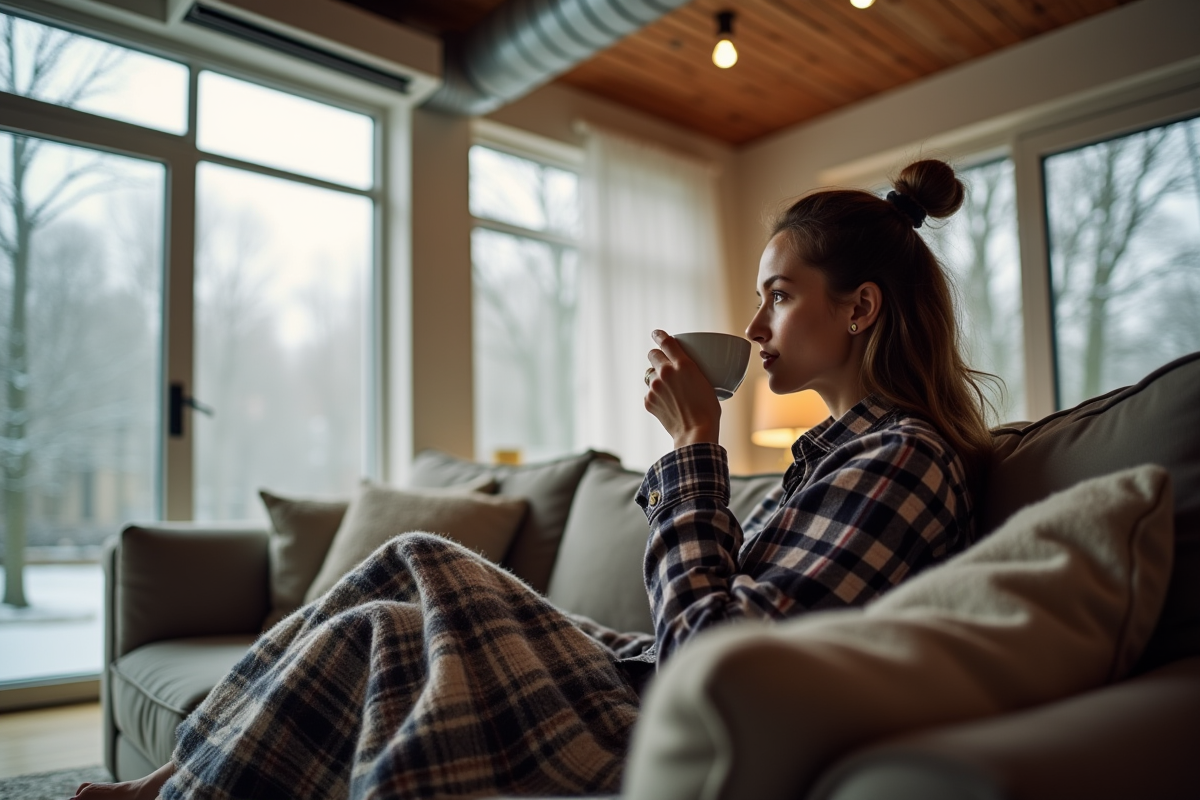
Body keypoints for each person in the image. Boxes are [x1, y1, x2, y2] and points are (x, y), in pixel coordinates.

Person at [74, 158, 991, 800]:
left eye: (779, 295)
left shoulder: (902, 463)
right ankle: (179, 783)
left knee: (422, 563)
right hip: (640, 676)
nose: (754, 327)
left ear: (860, 309)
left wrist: (691, 450)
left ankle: (175, 789)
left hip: (658, 715)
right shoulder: (837, 457)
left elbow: (710, 662)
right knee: (386, 618)